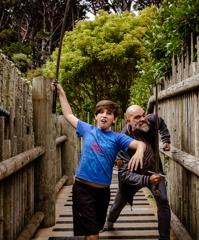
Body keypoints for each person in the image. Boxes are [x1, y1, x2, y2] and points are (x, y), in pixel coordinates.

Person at [53, 84, 146, 240]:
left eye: (109, 113)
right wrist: (61, 93)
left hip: (103, 192)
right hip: (83, 189)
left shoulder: (117, 138)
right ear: (96, 116)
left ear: (114, 119)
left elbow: (140, 144)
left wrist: (140, 151)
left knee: (92, 230)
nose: (104, 115)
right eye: (101, 112)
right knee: (93, 235)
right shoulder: (87, 130)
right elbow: (68, 114)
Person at [103, 105, 171, 240]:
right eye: (137, 117)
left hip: (154, 170)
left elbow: (161, 123)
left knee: (163, 201)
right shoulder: (121, 141)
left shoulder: (150, 120)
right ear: (128, 121)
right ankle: (110, 221)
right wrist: (146, 180)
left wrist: (166, 140)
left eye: (143, 115)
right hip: (132, 177)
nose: (143, 119)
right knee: (119, 202)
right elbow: (123, 174)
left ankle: (164, 238)